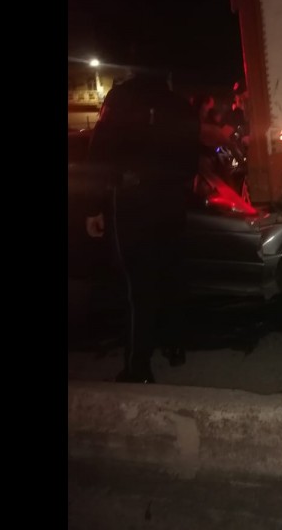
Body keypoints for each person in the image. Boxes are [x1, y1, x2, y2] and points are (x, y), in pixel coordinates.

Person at [85, 66, 200, 383]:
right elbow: (192, 158)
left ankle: (138, 366)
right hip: (172, 200)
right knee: (171, 274)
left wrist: (94, 207)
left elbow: (99, 152)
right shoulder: (181, 105)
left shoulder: (121, 98)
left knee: (139, 284)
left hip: (134, 201)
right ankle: (175, 346)